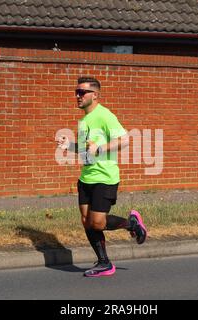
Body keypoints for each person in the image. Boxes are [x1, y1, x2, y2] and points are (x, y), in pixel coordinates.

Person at [56, 77, 147, 277]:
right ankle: (104, 263)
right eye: (76, 92)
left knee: (97, 222)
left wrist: (101, 148)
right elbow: (87, 150)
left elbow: (124, 140)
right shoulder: (84, 120)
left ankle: (132, 223)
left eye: (82, 92)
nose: (77, 96)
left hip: (105, 177)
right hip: (86, 177)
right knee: (86, 221)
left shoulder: (105, 115)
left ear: (95, 95)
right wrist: (69, 146)